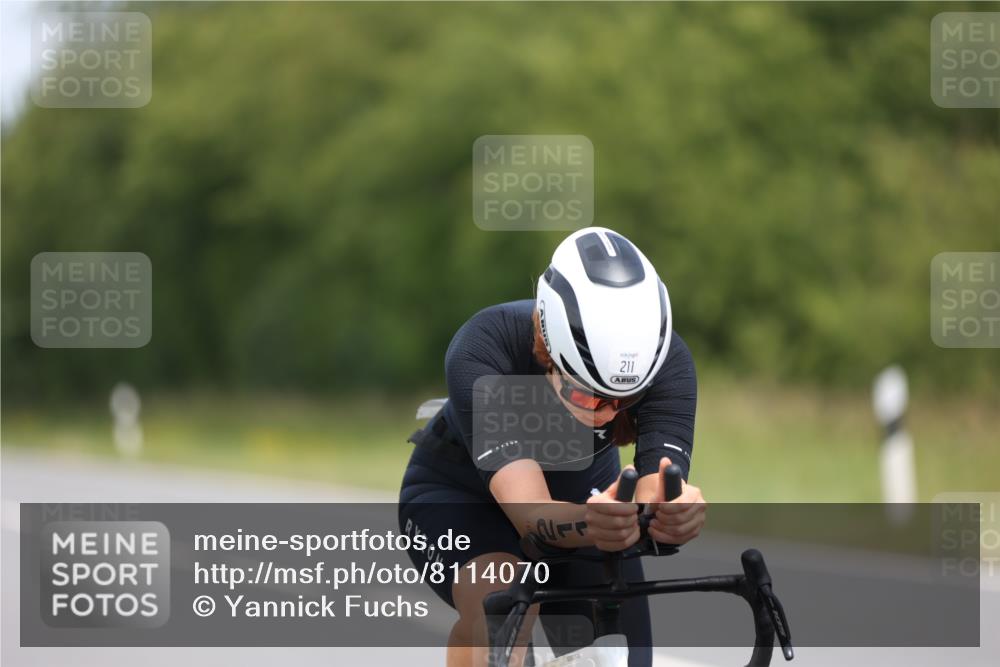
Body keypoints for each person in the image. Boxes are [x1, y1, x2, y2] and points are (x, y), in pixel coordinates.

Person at [398, 227, 705, 667]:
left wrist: (672, 512)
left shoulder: (669, 361)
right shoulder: (484, 347)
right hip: (464, 499)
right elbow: (531, 514)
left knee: (620, 659)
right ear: (546, 347)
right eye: (584, 394)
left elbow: (657, 485)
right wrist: (596, 522)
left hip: (589, 500)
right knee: (503, 615)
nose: (604, 414)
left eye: (625, 401)